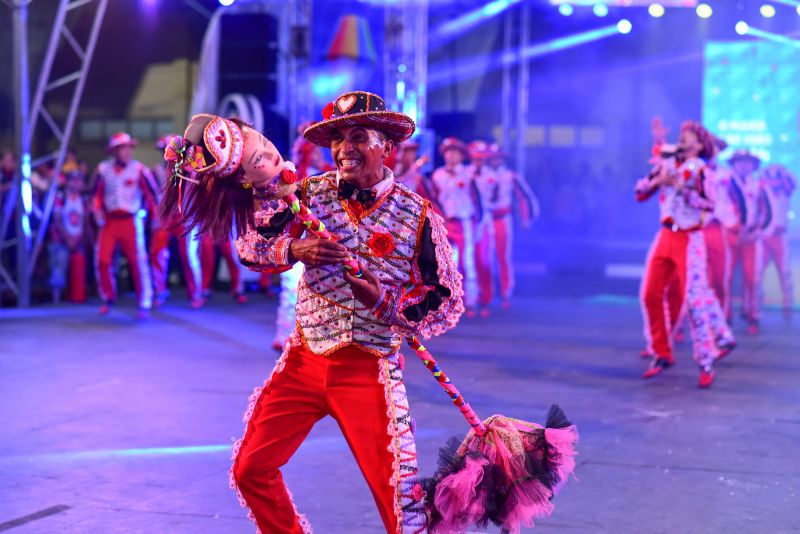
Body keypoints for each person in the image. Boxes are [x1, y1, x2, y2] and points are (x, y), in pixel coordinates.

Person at [159, 91, 463, 533]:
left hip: (369, 370)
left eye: (358, 137)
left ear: (386, 146)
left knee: (402, 508)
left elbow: (447, 300)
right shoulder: (305, 194)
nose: (343, 149)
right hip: (302, 364)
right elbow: (251, 246)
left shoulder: (417, 216)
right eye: (336, 140)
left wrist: (383, 300)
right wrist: (295, 247)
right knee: (250, 470)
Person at [635, 120, 734, 388]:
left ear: (700, 145)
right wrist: (657, 179)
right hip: (665, 234)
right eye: (681, 136)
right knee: (650, 293)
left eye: (688, 137)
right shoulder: (667, 164)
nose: (682, 140)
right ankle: (661, 352)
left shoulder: (702, 170)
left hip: (690, 238)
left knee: (695, 300)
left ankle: (705, 359)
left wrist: (683, 190)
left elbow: (709, 204)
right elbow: (641, 192)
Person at [92, 132, 158, 319]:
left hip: (131, 220)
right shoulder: (103, 169)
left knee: (137, 261)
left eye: (129, 147)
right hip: (110, 220)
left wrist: (154, 218)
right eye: (123, 148)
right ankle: (108, 297)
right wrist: (97, 211)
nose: (127, 151)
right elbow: (95, 194)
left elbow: (152, 195)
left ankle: (144, 300)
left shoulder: (139, 170)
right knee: (103, 260)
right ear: (114, 151)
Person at [479, 142, 540, 310]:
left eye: (498, 158)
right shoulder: (479, 175)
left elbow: (524, 197)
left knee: (503, 256)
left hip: (503, 219)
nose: (495, 161)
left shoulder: (510, 176)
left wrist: (526, 218)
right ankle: (486, 294)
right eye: (493, 158)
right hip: (485, 218)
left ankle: (506, 292)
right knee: (485, 259)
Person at [149, 135, 203, 308]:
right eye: (164, 150)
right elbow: (150, 195)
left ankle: (196, 293)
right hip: (165, 217)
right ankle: (159, 291)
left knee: (189, 255)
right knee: (157, 252)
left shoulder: (192, 170)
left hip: (185, 217)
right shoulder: (155, 171)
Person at [431, 136, 482, 316]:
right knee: (446, 265)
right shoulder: (438, 175)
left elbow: (478, 199)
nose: (450, 155)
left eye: (454, 152)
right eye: (447, 152)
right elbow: (434, 200)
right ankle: (449, 302)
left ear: (461, 155)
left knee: (467, 262)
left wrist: (479, 224)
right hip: (446, 224)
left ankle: (471, 300)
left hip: (465, 222)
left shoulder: (469, 173)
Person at [727, 150, 766, 334]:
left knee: (752, 277)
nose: (743, 165)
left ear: (753, 166)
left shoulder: (759, 185)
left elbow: (767, 212)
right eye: (739, 162)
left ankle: (753, 316)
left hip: (751, 237)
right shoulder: (725, 183)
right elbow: (720, 208)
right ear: (733, 164)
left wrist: (756, 231)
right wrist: (733, 228)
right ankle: (724, 316)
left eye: (747, 162)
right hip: (730, 236)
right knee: (724, 277)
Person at [758, 163, 796, 320]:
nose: (774, 184)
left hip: (780, 237)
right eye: (770, 179)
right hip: (764, 237)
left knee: (784, 272)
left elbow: (793, 182)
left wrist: (781, 170)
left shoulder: (785, 191)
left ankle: (788, 304)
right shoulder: (762, 193)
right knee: (757, 273)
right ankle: (757, 308)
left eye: (776, 180)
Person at [48, 171, 89, 303]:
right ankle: (57, 298)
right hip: (61, 239)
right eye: (73, 180)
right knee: (59, 265)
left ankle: (76, 294)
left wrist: (78, 237)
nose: (76, 183)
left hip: (77, 239)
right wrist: (67, 237)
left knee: (79, 266)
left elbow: (84, 220)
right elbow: (57, 219)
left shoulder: (82, 199)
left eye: (79, 180)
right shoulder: (61, 197)